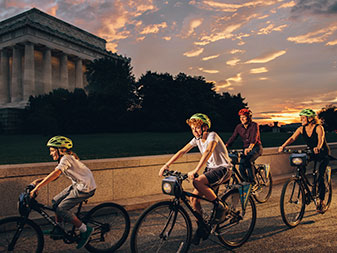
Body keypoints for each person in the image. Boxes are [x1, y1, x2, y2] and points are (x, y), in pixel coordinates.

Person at [158, 113, 232, 245]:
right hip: (210, 169)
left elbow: (208, 151)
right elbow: (182, 151)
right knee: (193, 199)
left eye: (197, 127)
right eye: (193, 128)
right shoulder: (196, 139)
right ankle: (202, 227)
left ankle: (221, 206)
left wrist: (196, 170)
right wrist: (166, 165)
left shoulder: (212, 135)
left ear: (205, 127)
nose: (195, 131)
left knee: (197, 181)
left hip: (223, 168)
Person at [30, 136, 97, 249]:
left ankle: (85, 230)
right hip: (78, 185)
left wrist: (38, 187)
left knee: (61, 209)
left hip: (85, 188)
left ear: (60, 150)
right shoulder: (65, 158)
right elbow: (57, 175)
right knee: (55, 201)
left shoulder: (66, 158)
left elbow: (56, 174)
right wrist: (39, 181)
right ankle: (59, 227)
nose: (50, 153)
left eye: (52, 150)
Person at [278, 108, 330, 213]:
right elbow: (292, 138)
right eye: (301, 118)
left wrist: (318, 147)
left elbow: (321, 138)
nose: (301, 119)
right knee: (300, 165)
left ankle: (321, 201)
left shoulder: (318, 127)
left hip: (322, 153)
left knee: (320, 175)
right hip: (311, 152)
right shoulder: (301, 129)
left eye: (303, 118)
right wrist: (283, 146)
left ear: (310, 118)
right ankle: (304, 186)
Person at [226, 108, 263, 185]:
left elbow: (254, 138)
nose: (241, 119)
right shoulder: (239, 127)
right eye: (240, 117)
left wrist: (250, 148)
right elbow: (233, 137)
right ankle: (247, 183)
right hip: (246, 149)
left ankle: (252, 182)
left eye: (244, 117)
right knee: (241, 167)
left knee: (248, 161)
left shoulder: (254, 125)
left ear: (249, 117)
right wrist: (225, 146)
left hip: (256, 148)